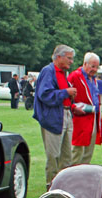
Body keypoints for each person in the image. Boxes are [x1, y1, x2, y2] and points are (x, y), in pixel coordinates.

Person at [33, 44, 78, 189]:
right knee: (54, 156)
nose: (71, 62)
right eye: (69, 58)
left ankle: (64, 186)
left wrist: (71, 103)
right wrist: (66, 92)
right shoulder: (48, 71)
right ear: (59, 57)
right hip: (53, 117)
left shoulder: (63, 73)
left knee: (67, 156)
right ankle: (51, 187)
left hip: (65, 114)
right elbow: (44, 95)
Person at [67, 52, 102, 165]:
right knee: (77, 151)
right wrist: (73, 107)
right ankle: (72, 177)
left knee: (88, 151)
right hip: (79, 119)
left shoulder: (93, 80)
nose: (95, 69)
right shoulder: (75, 76)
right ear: (85, 64)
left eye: (97, 67)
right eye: (92, 66)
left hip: (92, 118)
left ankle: (83, 176)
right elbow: (65, 95)